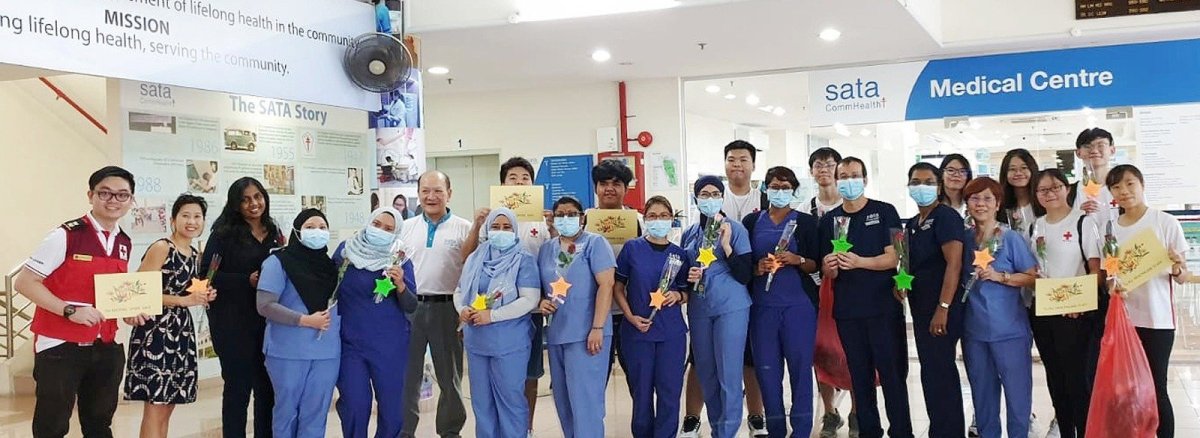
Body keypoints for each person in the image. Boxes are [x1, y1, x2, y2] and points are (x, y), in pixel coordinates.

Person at [15, 166, 135, 438]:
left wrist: (129, 311)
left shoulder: (124, 242)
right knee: (52, 426)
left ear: (131, 200)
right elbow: (24, 282)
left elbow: (112, 293)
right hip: (60, 346)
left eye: (122, 195)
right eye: (105, 193)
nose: (113, 200)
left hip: (106, 346)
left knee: (99, 425)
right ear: (90, 195)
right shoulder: (66, 235)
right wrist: (69, 311)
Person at [817, 157, 913, 438]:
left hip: (884, 309)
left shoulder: (885, 212)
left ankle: (902, 432)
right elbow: (826, 269)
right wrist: (830, 267)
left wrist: (861, 262)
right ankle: (869, 431)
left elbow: (898, 255)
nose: (849, 181)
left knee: (893, 376)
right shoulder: (831, 221)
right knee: (860, 378)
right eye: (844, 176)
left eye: (854, 175)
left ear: (865, 179)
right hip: (848, 312)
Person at [460, 156, 555, 436]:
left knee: (528, 375)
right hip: (484, 313)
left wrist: (552, 227)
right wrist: (477, 224)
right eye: (512, 178)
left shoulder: (540, 220)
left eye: (525, 178)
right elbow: (468, 261)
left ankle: (525, 429)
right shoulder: (491, 220)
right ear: (502, 184)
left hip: (529, 308)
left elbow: (553, 260)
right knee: (485, 387)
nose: (519, 182)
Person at [683, 141, 768, 438]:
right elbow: (680, 273)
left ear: (722, 197)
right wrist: (687, 276)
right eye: (704, 194)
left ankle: (728, 431)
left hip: (731, 307)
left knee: (729, 373)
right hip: (699, 309)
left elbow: (744, 274)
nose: (710, 199)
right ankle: (717, 426)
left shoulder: (735, 228)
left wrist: (728, 245)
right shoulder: (690, 233)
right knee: (706, 372)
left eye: (715, 194)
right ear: (696, 199)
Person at [1106, 164, 1189, 438]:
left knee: (1156, 387)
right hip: (1123, 322)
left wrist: (1177, 267)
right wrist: (1113, 288)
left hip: (1157, 320)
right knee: (1126, 390)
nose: (1124, 191)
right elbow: (1110, 276)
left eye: (1130, 183)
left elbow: (1182, 276)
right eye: (1116, 186)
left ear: (1142, 185)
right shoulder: (1110, 230)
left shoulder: (1165, 222)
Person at [123, 194, 216, 438]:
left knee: (167, 406)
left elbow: (186, 290)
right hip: (155, 331)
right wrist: (184, 301)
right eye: (185, 215)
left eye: (197, 216)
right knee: (155, 406)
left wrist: (203, 293)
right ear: (173, 220)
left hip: (180, 333)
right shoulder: (162, 247)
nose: (191, 221)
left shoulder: (193, 254)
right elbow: (138, 292)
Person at [200, 176, 283, 438]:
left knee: (267, 388)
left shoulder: (274, 231)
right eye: (245, 199)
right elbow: (207, 275)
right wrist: (245, 280)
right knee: (238, 388)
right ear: (235, 204)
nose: (253, 203)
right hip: (232, 322)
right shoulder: (223, 234)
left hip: (267, 321)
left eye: (258, 197)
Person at [742, 166, 820, 437]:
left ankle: (801, 430)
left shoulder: (806, 222)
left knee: (800, 370)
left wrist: (798, 260)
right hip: (762, 308)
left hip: (799, 308)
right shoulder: (752, 222)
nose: (780, 191)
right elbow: (743, 263)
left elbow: (816, 264)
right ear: (765, 188)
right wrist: (757, 268)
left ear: (794, 190)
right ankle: (775, 428)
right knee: (767, 372)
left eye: (786, 187)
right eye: (775, 186)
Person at [961, 177, 1038, 438]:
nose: (980, 203)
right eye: (974, 198)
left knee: (1018, 398)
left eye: (987, 198)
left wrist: (1001, 277)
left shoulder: (1010, 238)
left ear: (997, 204)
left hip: (1010, 332)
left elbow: (1032, 277)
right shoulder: (964, 240)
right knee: (982, 397)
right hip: (974, 333)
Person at [1029, 169, 1103, 438]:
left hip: (1076, 314)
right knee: (1055, 379)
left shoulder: (1083, 222)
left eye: (1055, 187)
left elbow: (1096, 271)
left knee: (1078, 382)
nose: (1049, 193)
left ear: (1067, 189)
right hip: (1044, 311)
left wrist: (1080, 303)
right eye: (1043, 190)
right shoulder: (1036, 226)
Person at [400, 171, 473, 438]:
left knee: (449, 376)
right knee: (407, 376)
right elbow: (392, 267)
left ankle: (450, 431)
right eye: (425, 191)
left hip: (447, 309)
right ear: (418, 193)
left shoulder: (465, 228)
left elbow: (472, 272)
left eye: (438, 191)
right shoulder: (405, 228)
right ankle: (405, 431)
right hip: (409, 308)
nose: (431, 196)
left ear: (449, 194)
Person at [456, 208, 540, 438]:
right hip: (477, 342)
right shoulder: (476, 257)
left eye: (506, 227)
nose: (500, 231)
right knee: (482, 402)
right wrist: (462, 309)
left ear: (515, 230)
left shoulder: (523, 259)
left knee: (510, 400)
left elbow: (530, 299)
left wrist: (492, 316)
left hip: (509, 342)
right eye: (495, 227)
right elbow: (460, 290)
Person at [256, 209, 341, 437]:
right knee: (287, 412)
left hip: (326, 353)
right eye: (310, 227)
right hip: (287, 351)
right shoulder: (278, 262)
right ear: (297, 231)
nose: (317, 232)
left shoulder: (331, 267)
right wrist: (304, 320)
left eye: (322, 227)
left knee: (316, 413)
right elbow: (265, 305)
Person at [537, 196, 616, 438]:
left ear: (582, 217)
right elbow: (542, 287)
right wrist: (541, 302)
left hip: (587, 334)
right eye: (560, 214)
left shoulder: (595, 244)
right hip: (557, 333)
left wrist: (597, 327)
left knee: (586, 403)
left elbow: (607, 285)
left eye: (572, 213)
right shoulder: (547, 249)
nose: (566, 218)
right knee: (564, 402)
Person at [334, 207, 417, 438]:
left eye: (389, 229)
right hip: (351, 344)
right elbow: (327, 285)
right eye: (377, 224)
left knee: (393, 410)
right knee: (355, 405)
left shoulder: (399, 258)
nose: (381, 231)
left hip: (390, 345)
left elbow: (411, 305)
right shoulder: (346, 251)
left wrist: (400, 285)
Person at [613, 196, 690, 438]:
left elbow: (686, 292)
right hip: (638, 332)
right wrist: (630, 316)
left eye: (664, 216)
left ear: (671, 219)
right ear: (645, 219)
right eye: (653, 216)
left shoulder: (679, 255)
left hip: (671, 334)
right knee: (641, 393)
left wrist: (677, 295)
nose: (658, 220)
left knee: (670, 392)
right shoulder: (632, 249)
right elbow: (618, 287)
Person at [901, 163, 966, 438]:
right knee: (930, 372)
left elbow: (954, 264)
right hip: (921, 308)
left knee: (941, 372)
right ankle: (938, 429)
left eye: (928, 182)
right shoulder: (913, 224)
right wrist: (901, 284)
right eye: (916, 182)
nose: (921, 187)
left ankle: (949, 431)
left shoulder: (946, 217)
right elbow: (908, 265)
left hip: (942, 309)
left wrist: (943, 308)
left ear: (939, 186)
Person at [806, 147, 859, 438]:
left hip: (853, 290)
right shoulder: (805, 209)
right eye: (818, 165)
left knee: (854, 351)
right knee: (822, 352)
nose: (824, 169)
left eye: (830, 164)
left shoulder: (852, 205)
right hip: (815, 291)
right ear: (812, 171)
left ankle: (857, 412)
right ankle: (830, 412)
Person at [589, 159, 643, 392]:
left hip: (630, 310)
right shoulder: (583, 221)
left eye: (616, 183)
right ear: (596, 188)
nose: (609, 188)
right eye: (604, 183)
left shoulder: (640, 222)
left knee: (637, 377)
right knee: (595, 378)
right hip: (594, 313)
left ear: (626, 188)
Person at [1072, 128, 1119, 217]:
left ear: (1112, 150)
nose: (1094, 151)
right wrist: (1077, 215)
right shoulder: (1070, 194)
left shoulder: (1126, 188)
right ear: (1078, 153)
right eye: (1087, 146)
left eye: (1101, 145)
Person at [998, 148, 1040, 236]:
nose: (1018, 173)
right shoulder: (1000, 206)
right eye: (1012, 169)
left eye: (1024, 168)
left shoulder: (1043, 202)